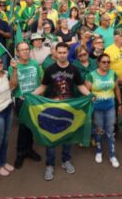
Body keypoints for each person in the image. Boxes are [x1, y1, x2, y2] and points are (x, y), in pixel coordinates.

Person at [33, 42, 91, 181]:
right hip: (52, 108)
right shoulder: (50, 69)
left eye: (65, 52)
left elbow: (81, 86)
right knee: (51, 137)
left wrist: (89, 95)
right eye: (60, 52)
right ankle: (50, 165)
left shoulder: (74, 69)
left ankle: (66, 160)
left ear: (68, 52)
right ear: (55, 53)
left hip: (69, 108)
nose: (62, 55)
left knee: (68, 137)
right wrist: (31, 95)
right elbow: (42, 87)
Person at [85, 53, 122, 168]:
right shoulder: (91, 75)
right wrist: (90, 98)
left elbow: (116, 89)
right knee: (99, 130)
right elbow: (86, 92)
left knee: (110, 131)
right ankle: (99, 151)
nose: (106, 64)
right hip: (97, 109)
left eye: (108, 62)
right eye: (104, 62)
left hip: (110, 107)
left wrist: (120, 103)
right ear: (98, 63)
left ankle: (112, 155)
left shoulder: (113, 74)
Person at [11, 42, 43, 169]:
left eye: (27, 49)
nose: (25, 52)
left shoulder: (35, 64)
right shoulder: (14, 65)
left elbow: (41, 81)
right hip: (21, 100)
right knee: (23, 127)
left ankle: (29, 150)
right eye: (22, 50)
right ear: (17, 52)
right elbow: (12, 86)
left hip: (34, 99)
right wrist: (14, 69)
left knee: (32, 126)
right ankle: (20, 153)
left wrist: (39, 96)